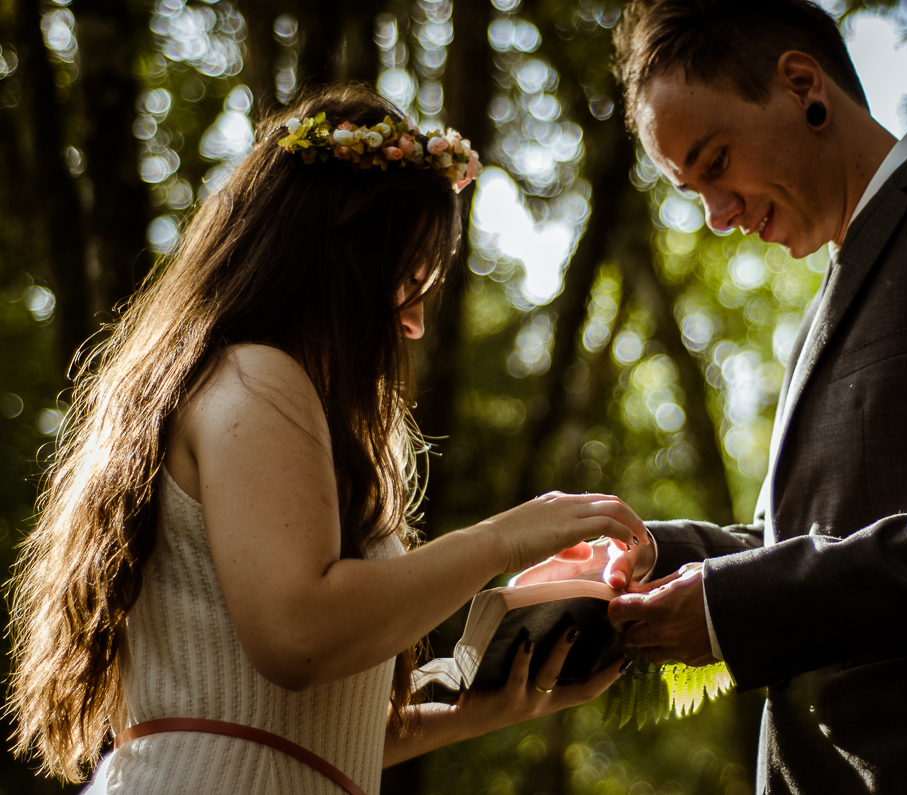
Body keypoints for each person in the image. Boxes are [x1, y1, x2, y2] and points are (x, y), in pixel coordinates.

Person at [518, 0, 907, 791]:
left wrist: (738, 608)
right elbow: (797, 542)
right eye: (692, 191)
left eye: (715, 161)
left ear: (803, 83)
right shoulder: (814, 318)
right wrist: (648, 555)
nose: (718, 214)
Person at [8, 84, 648, 795]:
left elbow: (292, 732)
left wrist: (483, 710)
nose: (414, 326)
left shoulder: (241, 382)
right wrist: (507, 538)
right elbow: (298, 635)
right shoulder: (257, 377)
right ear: (345, 258)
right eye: (407, 282)